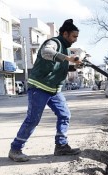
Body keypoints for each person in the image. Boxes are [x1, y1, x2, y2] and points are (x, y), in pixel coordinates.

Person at [9, 19, 83, 162]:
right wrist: (68, 58)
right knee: (33, 119)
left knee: (64, 115)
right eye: (73, 36)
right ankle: (15, 149)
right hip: (39, 86)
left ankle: (61, 146)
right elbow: (46, 52)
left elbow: (59, 66)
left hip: (54, 89)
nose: (75, 40)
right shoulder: (54, 42)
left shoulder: (66, 49)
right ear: (65, 33)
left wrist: (75, 66)